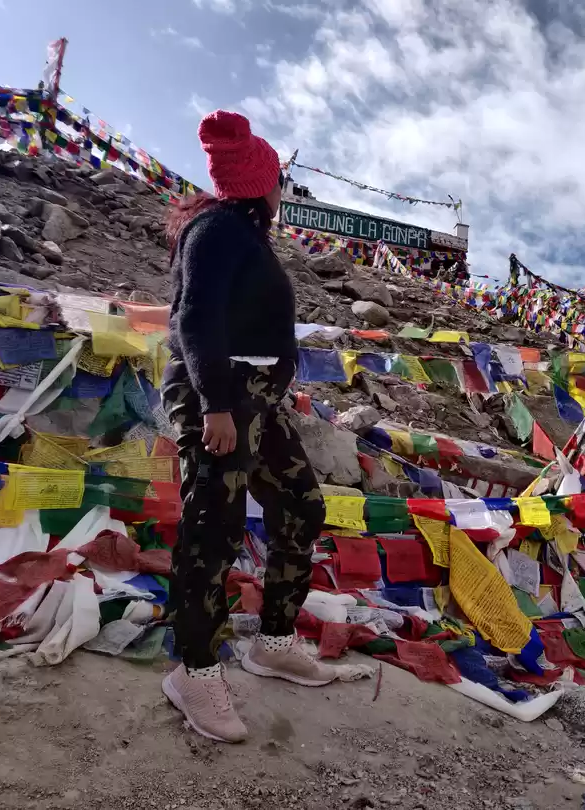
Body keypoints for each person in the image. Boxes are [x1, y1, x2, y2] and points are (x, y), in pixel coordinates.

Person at [160, 110, 336, 743]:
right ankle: (194, 672)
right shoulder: (214, 229)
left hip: (258, 398)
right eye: (277, 180)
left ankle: (273, 641)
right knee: (214, 528)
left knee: (300, 506)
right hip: (221, 394)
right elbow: (194, 319)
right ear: (259, 182)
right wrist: (214, 405)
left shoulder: (244, 234)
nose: (280, 191)